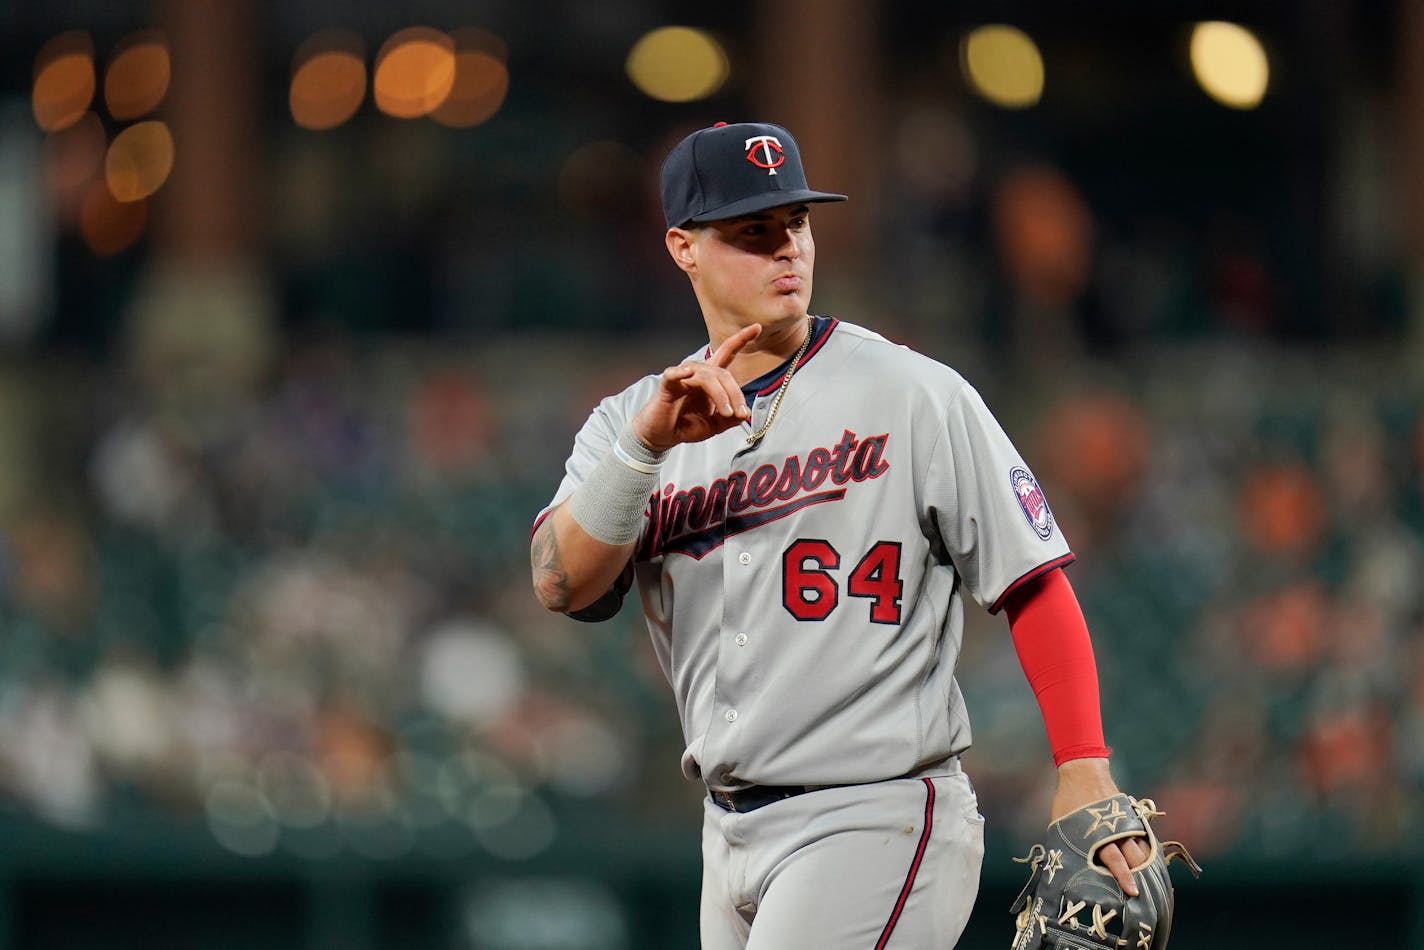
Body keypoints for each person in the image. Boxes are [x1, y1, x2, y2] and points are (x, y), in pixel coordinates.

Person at [530, 121, 1148, 948]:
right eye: (754, 232)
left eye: (796, 223)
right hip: (728, 828)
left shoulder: (912, 393)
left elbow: (1031, 580)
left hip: (876, 811)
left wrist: (1083, 766)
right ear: (683, 247)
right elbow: (560, 582)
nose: (786, 248)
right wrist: (643, 450)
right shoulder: (634, 422)